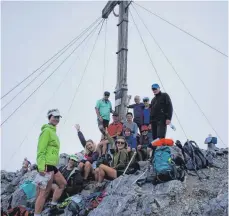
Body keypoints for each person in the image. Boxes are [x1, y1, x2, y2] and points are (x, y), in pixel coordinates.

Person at [34, 109, 67, 216]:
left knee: (62, 184)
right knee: (44, 193)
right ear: (49, 117)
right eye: (55, 117)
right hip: (46, 165)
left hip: (52, 165)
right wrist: (41, 166)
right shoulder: (46, 131)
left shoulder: (53, 131)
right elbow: (40, 150)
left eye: (58, 117)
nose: (57, 119)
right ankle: (37, 214)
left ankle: (53, 206)